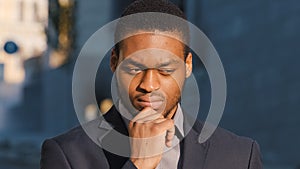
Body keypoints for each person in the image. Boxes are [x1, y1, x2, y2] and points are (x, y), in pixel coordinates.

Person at [40, 0, 263, 169]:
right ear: (114, 62)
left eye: (165, 71)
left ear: (187, 66)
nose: (149, 85)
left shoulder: (240, 155)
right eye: (135, 69)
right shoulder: (68, 154)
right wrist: (138, 165)